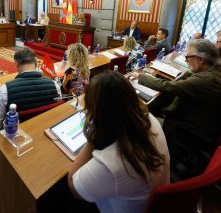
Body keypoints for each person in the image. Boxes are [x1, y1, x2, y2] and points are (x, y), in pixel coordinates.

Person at [68, 71, 170, 212]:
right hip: (153, 202)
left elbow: (73, 185)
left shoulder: (110, 165)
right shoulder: (150, 119)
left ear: (97, 113)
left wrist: (94, 135)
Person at [127, 39, 221, 168]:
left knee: (137, 119)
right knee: (159, 104)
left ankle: (141, 160)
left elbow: (170, 87)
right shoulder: (220, 71)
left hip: (190, 129)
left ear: (200, 59)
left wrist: (140, 77)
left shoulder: (206, 80)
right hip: (208, 123)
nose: (185, 60)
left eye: (188, 57)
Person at [0, 47, 61, 134]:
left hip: (17, 136)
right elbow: (57, 113)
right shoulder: (55, 85)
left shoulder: (5, 90)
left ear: (16, 63)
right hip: (45, 131)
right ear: (36, 63)